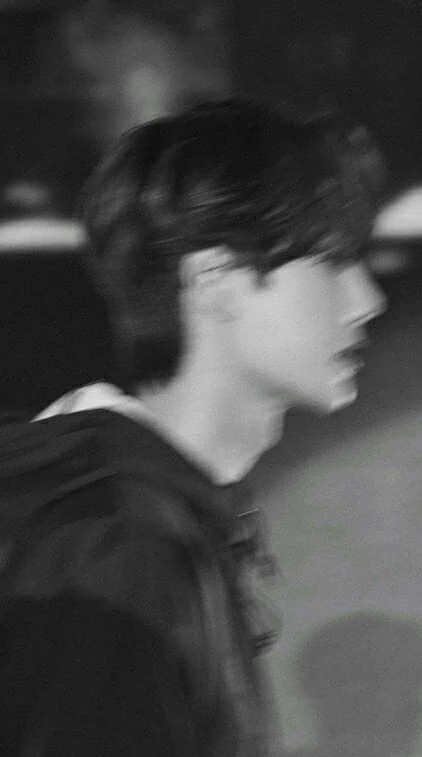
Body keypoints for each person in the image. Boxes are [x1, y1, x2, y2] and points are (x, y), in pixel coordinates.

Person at [0, 99, 387, 757]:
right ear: (215, 279)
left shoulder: (142, 514)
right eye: (331, 261)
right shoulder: (122, 545)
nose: (368, 300)